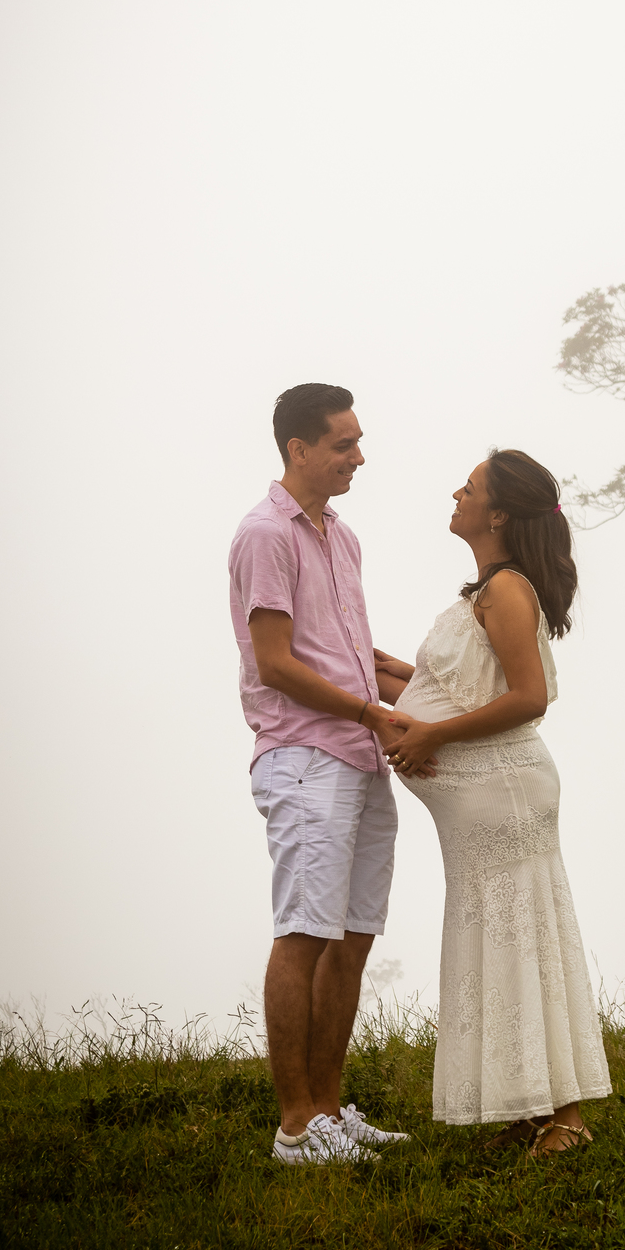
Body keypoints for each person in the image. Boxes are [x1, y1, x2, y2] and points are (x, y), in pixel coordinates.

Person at [374, 449, 612, 1154]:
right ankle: (523, 1105)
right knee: (492, 942)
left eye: (470, 488)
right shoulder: (479, 591)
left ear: (499, 513)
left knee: (523, 938)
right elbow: (456, 688)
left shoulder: (508, 589)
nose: (456, 492)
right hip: (477, 807)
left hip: (506, 794)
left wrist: (430, 736)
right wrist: (386, 678)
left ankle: (566, 1116)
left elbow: (527, 698)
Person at [228, 383, 419, 1165]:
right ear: (298, 449)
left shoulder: (342, 538)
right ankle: (296, 1127)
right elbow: (274, 664)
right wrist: (371, 713)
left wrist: (419, 701)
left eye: (357, 441)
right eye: (344, 444)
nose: (358, 457)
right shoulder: (263, 535)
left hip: (361, 755)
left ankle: (333, 1111)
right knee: (304, 934)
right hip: (305, 755)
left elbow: (353, 653)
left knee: (353, 937)